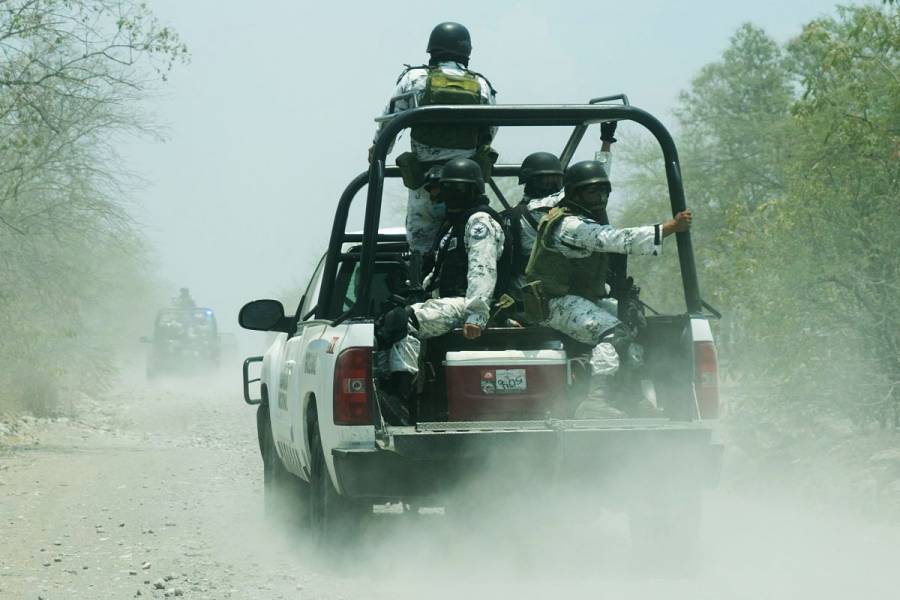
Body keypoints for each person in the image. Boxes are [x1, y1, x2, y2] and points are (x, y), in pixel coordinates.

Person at [523, 159, 692, 417]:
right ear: (575, 194)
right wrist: (669, 228)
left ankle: (633, 398)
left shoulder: (582, 217)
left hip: (578, 299)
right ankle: (594, 400)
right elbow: (611, 239)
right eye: (593, 191)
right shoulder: (569, 226)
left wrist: (605, 145)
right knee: (613, 335)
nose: (601, 197)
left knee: (631, 333)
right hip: (553, 302)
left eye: (605, 191)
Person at [375, 158, 510, 422]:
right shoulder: (453, 225)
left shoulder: (478, 222)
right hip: (454, 300)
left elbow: (482, 269)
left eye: (453, 189)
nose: (446, 195)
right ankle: (393, 389)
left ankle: (400, 400)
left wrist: (477, 315)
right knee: (392, 318)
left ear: (471, 190)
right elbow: (439, 272)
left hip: (469, 304)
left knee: (405, 321)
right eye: (445, 189)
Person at [371, 22, 498, 254]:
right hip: (466, 184)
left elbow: (389, 120)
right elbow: (490, 130)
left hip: (425, 182)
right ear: (467, 52)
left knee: (421, 247)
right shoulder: (481, 84)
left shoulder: (414, 78)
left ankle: (421, 281)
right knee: (470, 243)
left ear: (432, 50)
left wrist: (378, 152)